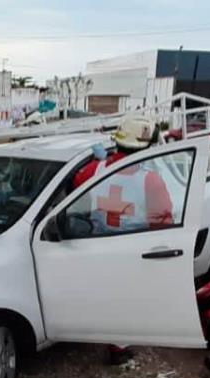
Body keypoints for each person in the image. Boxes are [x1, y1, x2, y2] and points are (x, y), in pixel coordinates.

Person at [72, 115, 174, 364]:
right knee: (127, 302)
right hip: (131, 250)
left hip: (96, 245)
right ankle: (118, 348)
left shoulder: (93, 170)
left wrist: (101, 164)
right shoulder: (151, 180)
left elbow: (78, 187)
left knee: (104, 295)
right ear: (146, 147)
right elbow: (164, 221)